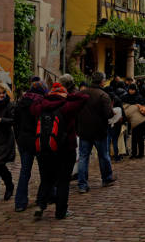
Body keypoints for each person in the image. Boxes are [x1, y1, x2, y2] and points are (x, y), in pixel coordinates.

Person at [30, 82, 88, 220]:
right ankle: (61, 212)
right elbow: (84, 97)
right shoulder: (67, 106)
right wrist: (67, 95)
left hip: (45, 148)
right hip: (66, 149)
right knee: (63, 181)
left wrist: (47, 96)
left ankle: (41, 205)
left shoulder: (40, 106)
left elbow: (32, 106)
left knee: (46, 179)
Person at [76, 72, 116, 193]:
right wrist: (113, 113)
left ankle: (82, 184)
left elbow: (76, 111)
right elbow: (108, 114)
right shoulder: (103, 95)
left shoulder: (81, 93)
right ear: (102, 81)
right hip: (99, 131)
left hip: (84, 131)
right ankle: (107, 178)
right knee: (103, 155)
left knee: (83, 157)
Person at [13, 78, 47, 212]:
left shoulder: (21, 102)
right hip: (38, 141)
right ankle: (41, 198)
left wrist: (18, 138)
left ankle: (20, 202)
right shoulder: (42, 103)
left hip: (24, 141)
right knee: (44, 171)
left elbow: (16, 123)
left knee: (24, 172)